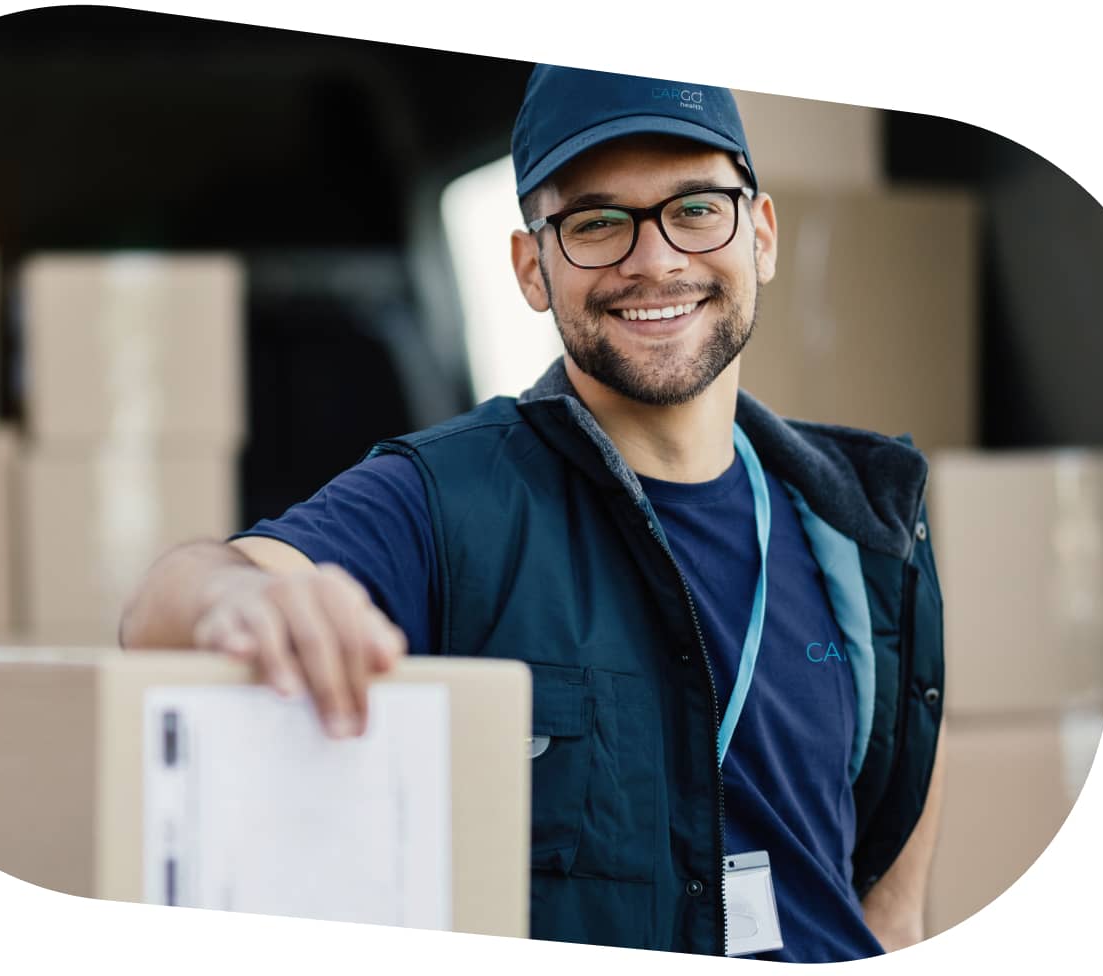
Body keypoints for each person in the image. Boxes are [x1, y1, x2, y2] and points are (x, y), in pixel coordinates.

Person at [120, 64, 946, 962]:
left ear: (763, 235)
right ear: (530, 268)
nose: (656, 259)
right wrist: (232, 603)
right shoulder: (444, 501)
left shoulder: (866, 530)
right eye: (597, 223)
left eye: (698, 208)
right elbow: (165, 608)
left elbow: (892, 921)